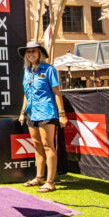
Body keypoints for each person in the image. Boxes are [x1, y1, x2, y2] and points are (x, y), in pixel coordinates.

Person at [17, 41, 68, 194]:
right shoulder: (27, 70)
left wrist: (62, 114)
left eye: (34, 51)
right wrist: (22, 112)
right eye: (28, 52)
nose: (30, 54)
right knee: (37, 145)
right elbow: (26, 93)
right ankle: (39, 177)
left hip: (47, 112)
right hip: (31, 113)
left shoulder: (49, 69)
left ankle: (50, 182)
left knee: (48, 145)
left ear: (40, 53)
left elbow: (57, 92)